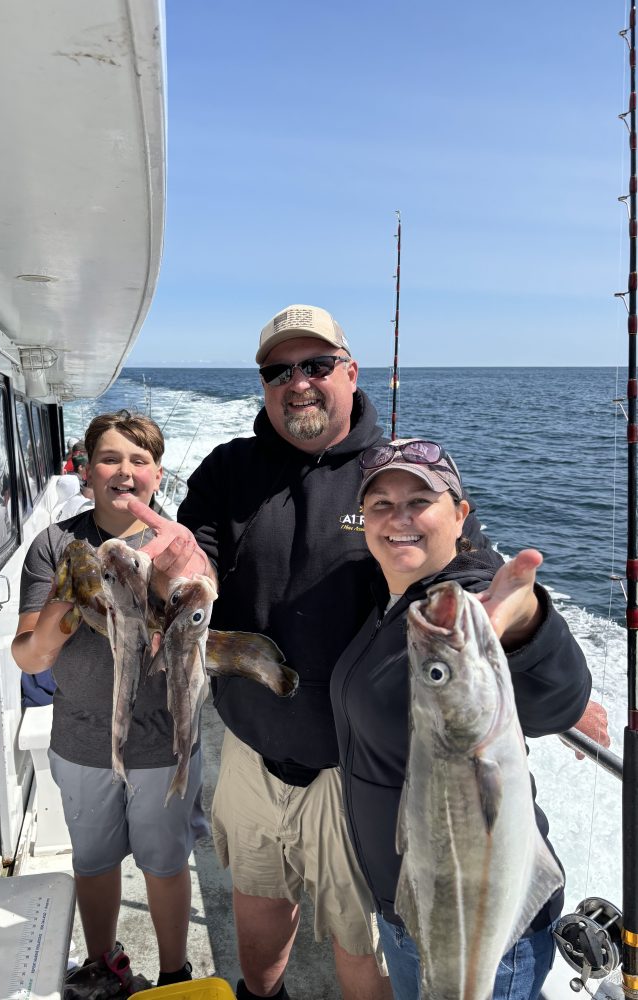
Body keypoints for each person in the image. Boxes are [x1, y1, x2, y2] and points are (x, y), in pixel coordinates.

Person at [176, 303, 608, 1000]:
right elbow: (199, 553)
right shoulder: (230, 468)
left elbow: (469, 581)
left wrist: (527, 633)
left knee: (362, 942)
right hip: (251, 753)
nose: (299, 382)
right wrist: (179, 571)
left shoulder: (386, 481)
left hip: (349, 777)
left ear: (350, 372)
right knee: (259, 905)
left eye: (317, 365)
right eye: (278, 371)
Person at [330, 438, 592, 999]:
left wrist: (527, 623)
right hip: (412, 909)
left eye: (419, 501)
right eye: (380, 505)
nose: (398, 518)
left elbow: (557, 700)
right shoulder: (392, 605)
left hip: (490, 931)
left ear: (460, 514)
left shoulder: (472, 603)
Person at [12, 409, 210, 999]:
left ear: (158, 475)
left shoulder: (179, 545)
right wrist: (69, 600)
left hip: (162, 740)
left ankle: (175, 974)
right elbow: (31, 657)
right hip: (82, 738)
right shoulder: (55, 545)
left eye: (140, 460)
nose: (125, 471)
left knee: (164, 861)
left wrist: (171, 582)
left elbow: (192, 633)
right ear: (85, 470)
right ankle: (104, 966)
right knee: (94, 861)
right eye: (110, 458)